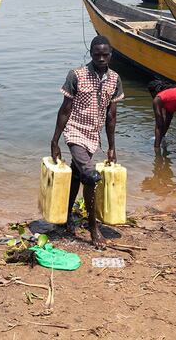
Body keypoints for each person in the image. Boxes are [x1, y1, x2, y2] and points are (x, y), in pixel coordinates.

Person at [49, 35, 123, 249]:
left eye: (105, 55)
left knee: (77, 175)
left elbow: (111, 117)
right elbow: (65, 109)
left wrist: (111, 148)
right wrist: (55, 141)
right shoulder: (77, 75)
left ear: (110, 55)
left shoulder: (114, 79)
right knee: (91, 177)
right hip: (74, 131)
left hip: (93, 134)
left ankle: (65, 217)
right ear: (91, 53)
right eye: (97, 54)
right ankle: (93, 228)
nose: (101, 58)